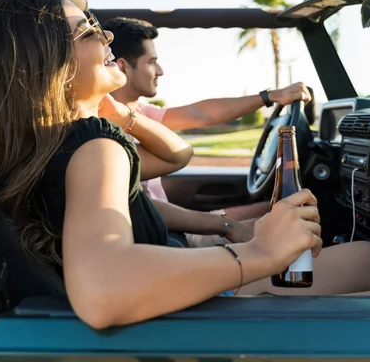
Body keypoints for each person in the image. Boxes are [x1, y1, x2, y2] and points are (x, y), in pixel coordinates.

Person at [0, 0, 370, 330]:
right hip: (191, 319)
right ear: (50, 62)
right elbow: (102, 291)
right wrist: (257, 251)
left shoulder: (46, 149)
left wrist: (115, 112)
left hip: (181, 303)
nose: (108, 38)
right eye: (90, 31)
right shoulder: (94, 145)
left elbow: (175, 158)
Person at [103, 17, 312, 246]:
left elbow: (200, 114)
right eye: (152, 62)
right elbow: (139, 205)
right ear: (122, 66)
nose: (160, 71)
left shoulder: (139, 112)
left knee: (282, 208)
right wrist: (226, 226)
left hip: (171, 225)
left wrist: (269, 97)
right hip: (164, 236)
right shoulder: (106, 127)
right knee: (296, 221)